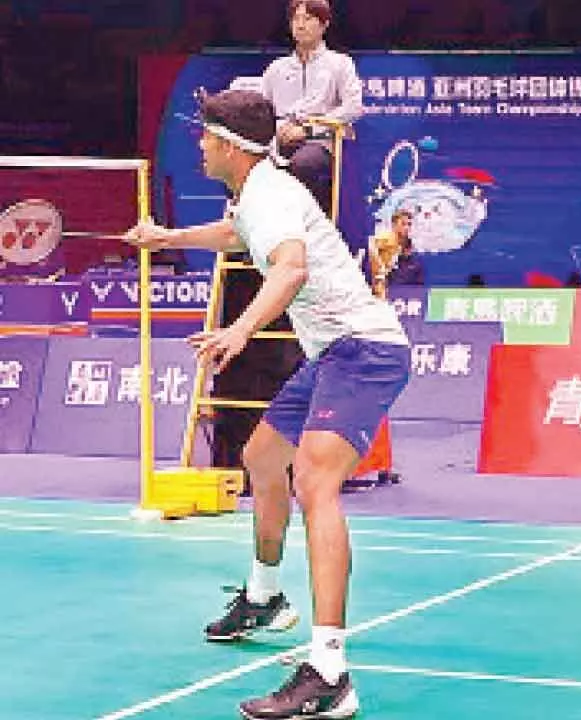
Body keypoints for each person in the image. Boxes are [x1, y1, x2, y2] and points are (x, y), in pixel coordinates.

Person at [126, 89, 410, 720]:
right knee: (261, 458)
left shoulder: (272, 195)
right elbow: (236, 234)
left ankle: (330, 672)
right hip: (333, 352)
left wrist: (240, 329)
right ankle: (265, 597)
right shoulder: (256, 195)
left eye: (206, 134)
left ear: (231, 145)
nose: (199, 143)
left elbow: (290, 269)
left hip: (364, 350)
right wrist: (166, 236)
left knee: (314, 484)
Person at [262, 0, 364, 216]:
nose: (300, 25)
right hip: (279, 142)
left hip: (321, 143)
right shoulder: (276, 69)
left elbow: (353, 107)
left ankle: (308, 223)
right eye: (295, 19)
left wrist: (308, 130)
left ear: (324, 24)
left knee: (304, 164)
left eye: (307, 19)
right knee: (249, 166)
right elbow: (263, 111)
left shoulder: (340, 64)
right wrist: (279, 130)